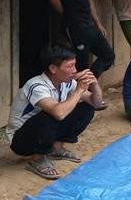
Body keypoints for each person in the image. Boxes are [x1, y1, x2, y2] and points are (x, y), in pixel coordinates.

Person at [6, 45, 101, 179]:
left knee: (86, 108)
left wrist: (94, 84)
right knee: (53, 114)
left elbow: (96, 103)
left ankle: (55, 149)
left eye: (75, 65)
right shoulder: (36, 85)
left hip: (43, 132)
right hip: (21, 140)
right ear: (53, 69)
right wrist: (79, 90)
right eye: (70, 66)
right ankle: (37, 159)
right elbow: (59, 113)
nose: (74, 70)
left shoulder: (66, 82)